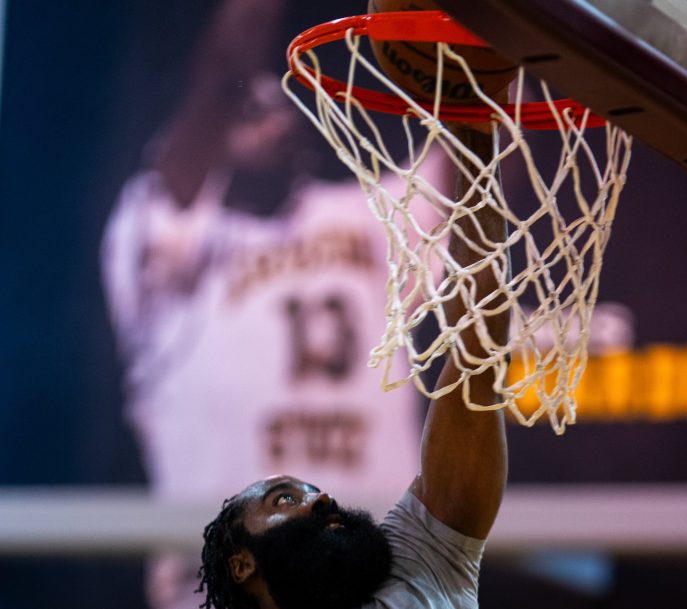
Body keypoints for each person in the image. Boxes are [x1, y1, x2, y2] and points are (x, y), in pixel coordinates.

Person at [101, 1, 445, 607]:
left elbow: (483, 158)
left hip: (372, 578)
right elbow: (225, 64)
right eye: (246, 104)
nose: (270, 118)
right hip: (232, 585)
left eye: (281, 105)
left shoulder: (368, 219)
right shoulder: (164, 238)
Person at [196, 125, 510, 609]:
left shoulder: (420, 565)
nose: (322, 500)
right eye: (284, 500)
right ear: (243, 564)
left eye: (310, 493)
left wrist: (474, 121)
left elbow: (476, 347)